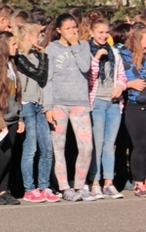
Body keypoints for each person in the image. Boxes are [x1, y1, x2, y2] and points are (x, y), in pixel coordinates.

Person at [44, 13, 94, 202]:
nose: (73, 31)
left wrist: (75, 44)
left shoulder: (83, 46)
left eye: (75, 27)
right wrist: (48, 106)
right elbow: (47, 80)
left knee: (86, 147)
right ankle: (65, 187)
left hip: (79, 103)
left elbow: (85, 67)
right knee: (59, 147)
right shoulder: (52, 49)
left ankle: (80, 185)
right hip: (58, 102)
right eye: (68, 28)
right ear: (59, 31)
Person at [13, 24, 57, 203]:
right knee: (30, 148)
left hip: (39, 104)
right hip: (27, 104)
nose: (39, 38)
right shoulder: (20, 57)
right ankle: (29, 188)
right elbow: (40, 75)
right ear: (29, 37)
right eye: (37, 35)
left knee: (47, 148)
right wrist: (45, 55)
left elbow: (45, 78)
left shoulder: (36, 55)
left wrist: (42, 55)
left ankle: (44, 186)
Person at [86, 18, 126, 199]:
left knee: (110, 144)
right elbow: (88, 76)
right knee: (98, 144)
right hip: (97, 103)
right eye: (100, 32)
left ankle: (108, 182)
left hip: (114, 103)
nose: (103, 36)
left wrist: (121, 86)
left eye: (106, 32)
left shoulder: (114, 53)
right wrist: (96, 59)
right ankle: (95, 181)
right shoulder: (86, 50)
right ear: (92, 32)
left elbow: (122, 75)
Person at [0, 32, 24, 206]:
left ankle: (4, 189)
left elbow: (17, 93)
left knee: (9, 156)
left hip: (13, 117)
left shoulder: (11, 64)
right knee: (2, 155)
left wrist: (20, 116)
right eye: (13, 44)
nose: (17, 47)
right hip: (0, 119)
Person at [120, 25, 146, 197]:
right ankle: (138, 182)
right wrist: (130, 84)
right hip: (133, 105)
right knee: (140, 145)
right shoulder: (124, 55)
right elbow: (117, 78)